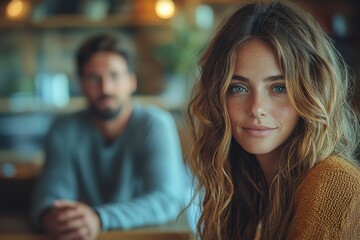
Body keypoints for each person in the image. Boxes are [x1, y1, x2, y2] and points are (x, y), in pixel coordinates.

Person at [187, 1, 360, 239]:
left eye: (278, 87)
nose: (257, 108)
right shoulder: (246, 184)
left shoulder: (334, 184)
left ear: (311, 92)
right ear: (218, 98)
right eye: (238, 88)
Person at [30, 32, 185, 240]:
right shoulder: (64, 131)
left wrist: (99, 218)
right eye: (95, 78)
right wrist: (52, 216)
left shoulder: (155, 124)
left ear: (131, 81)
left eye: (114, 76)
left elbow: (167, 200)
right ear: (82, 84)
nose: (106, 88)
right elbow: (49, 197)